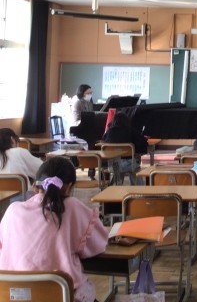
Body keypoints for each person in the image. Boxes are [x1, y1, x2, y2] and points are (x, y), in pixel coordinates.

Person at [0, 157, 109, 302]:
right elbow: (99, 244)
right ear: (69, 186)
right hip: (61, 294)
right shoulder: (72, 207)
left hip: (12, 294)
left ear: (34, 185)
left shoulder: (13, 210)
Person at [103, 111, 148, 184]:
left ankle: (117, 186)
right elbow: (142, 143)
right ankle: (138, 188)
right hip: (130, 164)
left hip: (113, 165)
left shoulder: (109, 132)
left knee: (119, 165)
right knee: (134, 165)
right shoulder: (131, 130)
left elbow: (104, 143)